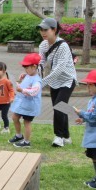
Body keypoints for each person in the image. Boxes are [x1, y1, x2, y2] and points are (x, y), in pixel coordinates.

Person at [37, 17, 78, 147]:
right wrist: (36, 78)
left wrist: (42, 83)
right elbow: (41, 63)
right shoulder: (43, 45)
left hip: (67, 80)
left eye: (46, 30)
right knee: (60, 107)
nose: (43, 32)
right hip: (54, 81)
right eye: (41, 30)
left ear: (54, 30)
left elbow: (59, 69)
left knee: (58, 107)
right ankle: (67, 136)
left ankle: (58, 137)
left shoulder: (63, 46)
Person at [8, 53, 43, 148]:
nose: (25, 69)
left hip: (30, 105)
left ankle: (26, 142)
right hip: (22, 103)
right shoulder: (28, 75)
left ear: (34, 67)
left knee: (27, 122)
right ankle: (19, 135)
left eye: (27, 67)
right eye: (24, 67)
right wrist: (25, 76)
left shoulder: (37, 80)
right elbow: (27, 80)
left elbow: (34, 91)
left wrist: (22, 90)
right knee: (15, 117)